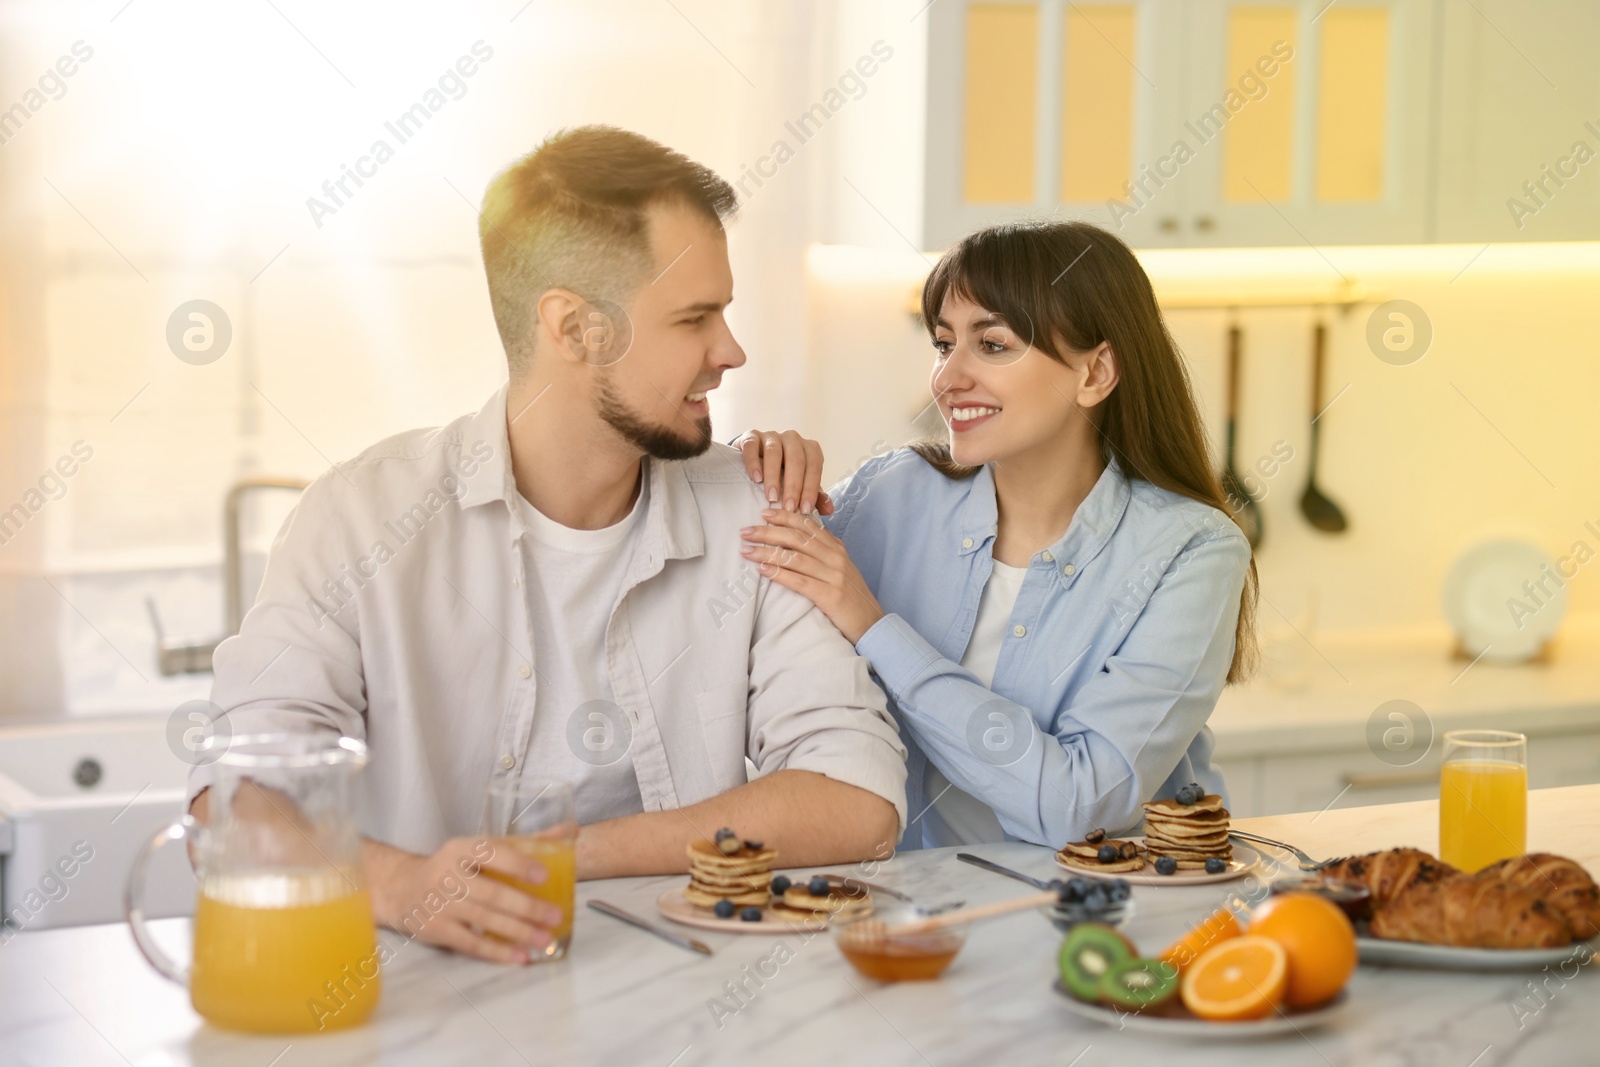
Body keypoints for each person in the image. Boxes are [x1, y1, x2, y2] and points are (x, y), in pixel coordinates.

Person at [187, 126, 906, 964]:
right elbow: (236, 791)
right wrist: (397, 883)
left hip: (683, 1011)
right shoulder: (358, 518)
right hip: (411, 1007)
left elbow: (859, 797)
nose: (730, 350)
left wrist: (567, 856)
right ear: (573, 329)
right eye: (694, 317)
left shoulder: (754, 510)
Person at [736, 220, 1257, 850]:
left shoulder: (1190, 552)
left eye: (993, 345)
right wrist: (753, 465)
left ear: (1095, 373)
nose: (947, 379)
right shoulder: (891, 494)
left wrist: (876, 629)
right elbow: (745, 571)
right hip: (908, 926)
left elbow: (1080, 805)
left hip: (1098, 931)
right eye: (943, 343)